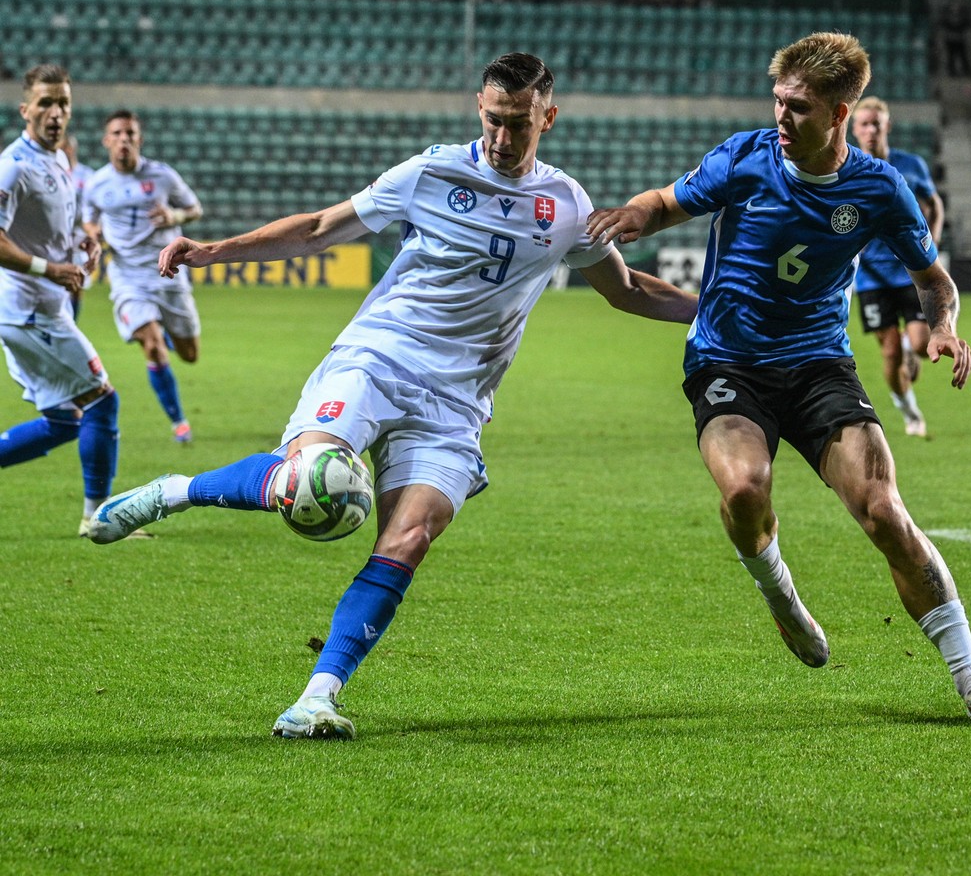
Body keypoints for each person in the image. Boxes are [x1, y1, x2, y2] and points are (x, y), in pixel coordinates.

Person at [85, 53, 698, 739]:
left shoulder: (566, 207)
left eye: (518, 126)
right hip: (377, 358)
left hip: (457, 404)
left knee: (408, 539)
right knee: (304, 483)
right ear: (478, 109)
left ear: (546, 118)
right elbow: (322, 228)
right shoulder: (430, 171)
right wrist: (214, 250)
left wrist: (715, 316)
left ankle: (317, 697)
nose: (501, 139)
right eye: (493, 121)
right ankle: (176, 490)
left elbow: (629, 288)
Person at [587, 32, 971, 723]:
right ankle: (782, 599)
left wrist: (944, 325)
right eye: (778, 101)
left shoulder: (878, 189)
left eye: (798, 107)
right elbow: (663, 200)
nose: (781, 117)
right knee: (746, 487)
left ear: (839, 114)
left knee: (885, 511)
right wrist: (633, 216)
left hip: (818, 365)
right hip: (726, 361)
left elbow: (935, 282)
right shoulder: (745, 158)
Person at [0, 63, 120, 537]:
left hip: (38, 309)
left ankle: (97, 512)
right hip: (29, 311)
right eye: (46, 103)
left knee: (64, 421)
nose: (55, 112)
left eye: (63, 103)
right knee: (103, 403)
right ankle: (100, 517)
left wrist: (79, 243)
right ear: (25, 108)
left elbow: (48, 230)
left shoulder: (60, 160)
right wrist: (51, 269)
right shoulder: (14, 166)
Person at [82, 109, 202, 443]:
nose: (124, 140)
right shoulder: (96, 184)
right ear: (107, 141)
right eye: (117, 134)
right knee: (151, 345)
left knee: (190, 354)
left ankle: (163, 333)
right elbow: (89, 220)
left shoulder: (163, 175)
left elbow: (195, 209)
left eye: (130, 134)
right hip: (127, 277)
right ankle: (179, 422)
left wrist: (173, 214)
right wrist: (95, 235)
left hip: (168, 273)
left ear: (139, 139)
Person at [850, 96, 945, 437]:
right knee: (888, 352)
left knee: (922, 343)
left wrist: (930, 243)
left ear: (887, 126)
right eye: (863, 124)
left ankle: (911, 347)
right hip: (869, 276)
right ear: (853, 128)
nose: (870, 130)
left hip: (909, 270)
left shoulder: (910, 164)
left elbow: (934, 203)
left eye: (876, 123)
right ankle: (910, 413)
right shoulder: (847, 166)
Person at [61, 132, 95, 321]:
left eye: (64, 147)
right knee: (60, 282)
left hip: (80, 237)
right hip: (58, 235)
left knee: (78, 284)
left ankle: (72, 321)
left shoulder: (87, 175)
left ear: (71, 148)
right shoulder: (56, 172)